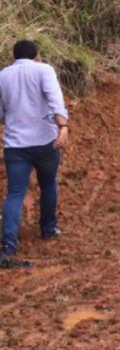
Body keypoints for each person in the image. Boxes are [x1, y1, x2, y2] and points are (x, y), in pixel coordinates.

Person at [0, 40, 69, 270]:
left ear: (14, 56)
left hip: (15, 145)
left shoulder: (3, 75)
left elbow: (1, 112)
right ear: (35, 55)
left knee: (15, 193)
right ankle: (48, 230)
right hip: (44, 142)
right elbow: (55, 98)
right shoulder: (44, 70)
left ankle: (9, 245)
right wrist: (63, 126)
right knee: (48, 183)